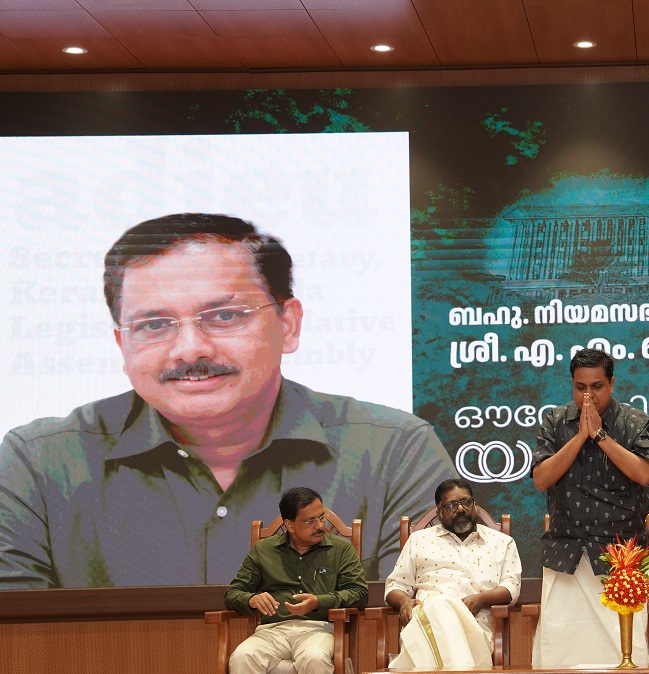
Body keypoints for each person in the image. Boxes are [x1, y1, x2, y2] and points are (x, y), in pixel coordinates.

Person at [0, 212, 456, 589]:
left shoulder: (395, 453)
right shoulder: (38, 464)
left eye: (223, 316)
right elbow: (18, 647)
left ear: (288, 324)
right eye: (154, 324)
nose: (189, 350)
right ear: (123, 344)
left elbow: (429, 621)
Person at [526, 347, 649, 674]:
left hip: (621, 557)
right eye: (580, 387)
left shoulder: (634, 421)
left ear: (612, 384)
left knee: (623, 653)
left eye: (597, 387)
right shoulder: (554, 421)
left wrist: (600, 436)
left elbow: (643, 473)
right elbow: (541, 478)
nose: (588, 396)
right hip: (567, 553)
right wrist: (579, 436)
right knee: (564, 652)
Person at [224, 486, 368, 674]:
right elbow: (233, 593)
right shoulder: (264, 551)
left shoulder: (340, 550)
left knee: (316, 658)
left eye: (321, 517)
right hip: (272, 630)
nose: (320, 526)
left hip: (318, 628)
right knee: (242, 657)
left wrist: (320, 601)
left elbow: (359, 594)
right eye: (309, 521)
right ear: (289, 525)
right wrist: (251, 599)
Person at [383, 478, 521, 674]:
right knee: (438, 605)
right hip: (424, 631)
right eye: (451, 505)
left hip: (476, 634)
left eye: (466, 502)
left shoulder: (501, 543)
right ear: (438, 511)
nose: (460, 509)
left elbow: (512, 588)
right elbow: (394, 586)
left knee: (441, 606)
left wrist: (481, 599)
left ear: (474, 504)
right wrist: (404, 601)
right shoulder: (419, 541)